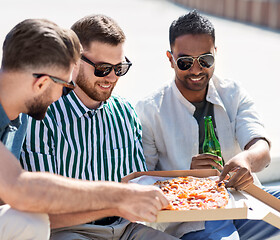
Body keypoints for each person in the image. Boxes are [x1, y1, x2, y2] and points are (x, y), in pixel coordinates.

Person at [0, 18, 169, 240]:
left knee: (29, 217)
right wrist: (118, 195)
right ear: (42, 83)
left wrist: (118, 206)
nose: (63, 97)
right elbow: (19, 189)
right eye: (66, 87)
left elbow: (7, 203)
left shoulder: (18, 121)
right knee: (28, 221)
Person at [20, 14, 177, 240]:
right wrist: (116, 205)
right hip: (69, 231)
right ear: (73, 61)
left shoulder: (125, 112)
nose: (112, 77)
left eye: (120, 68)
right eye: (103, 68)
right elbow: (42, 211)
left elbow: (137, 185)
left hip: (128, 229)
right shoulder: (43, 115)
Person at [135, 10, 280, 240]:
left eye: (205, 60)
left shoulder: (232, 92)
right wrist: (188, 178)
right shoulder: (150, 110)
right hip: (193, 218)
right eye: (185, 62)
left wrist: (246, 160)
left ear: (215, 54)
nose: (196, 69)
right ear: (170, 59)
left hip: (243, 204)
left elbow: (260, 146)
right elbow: (142, 182)